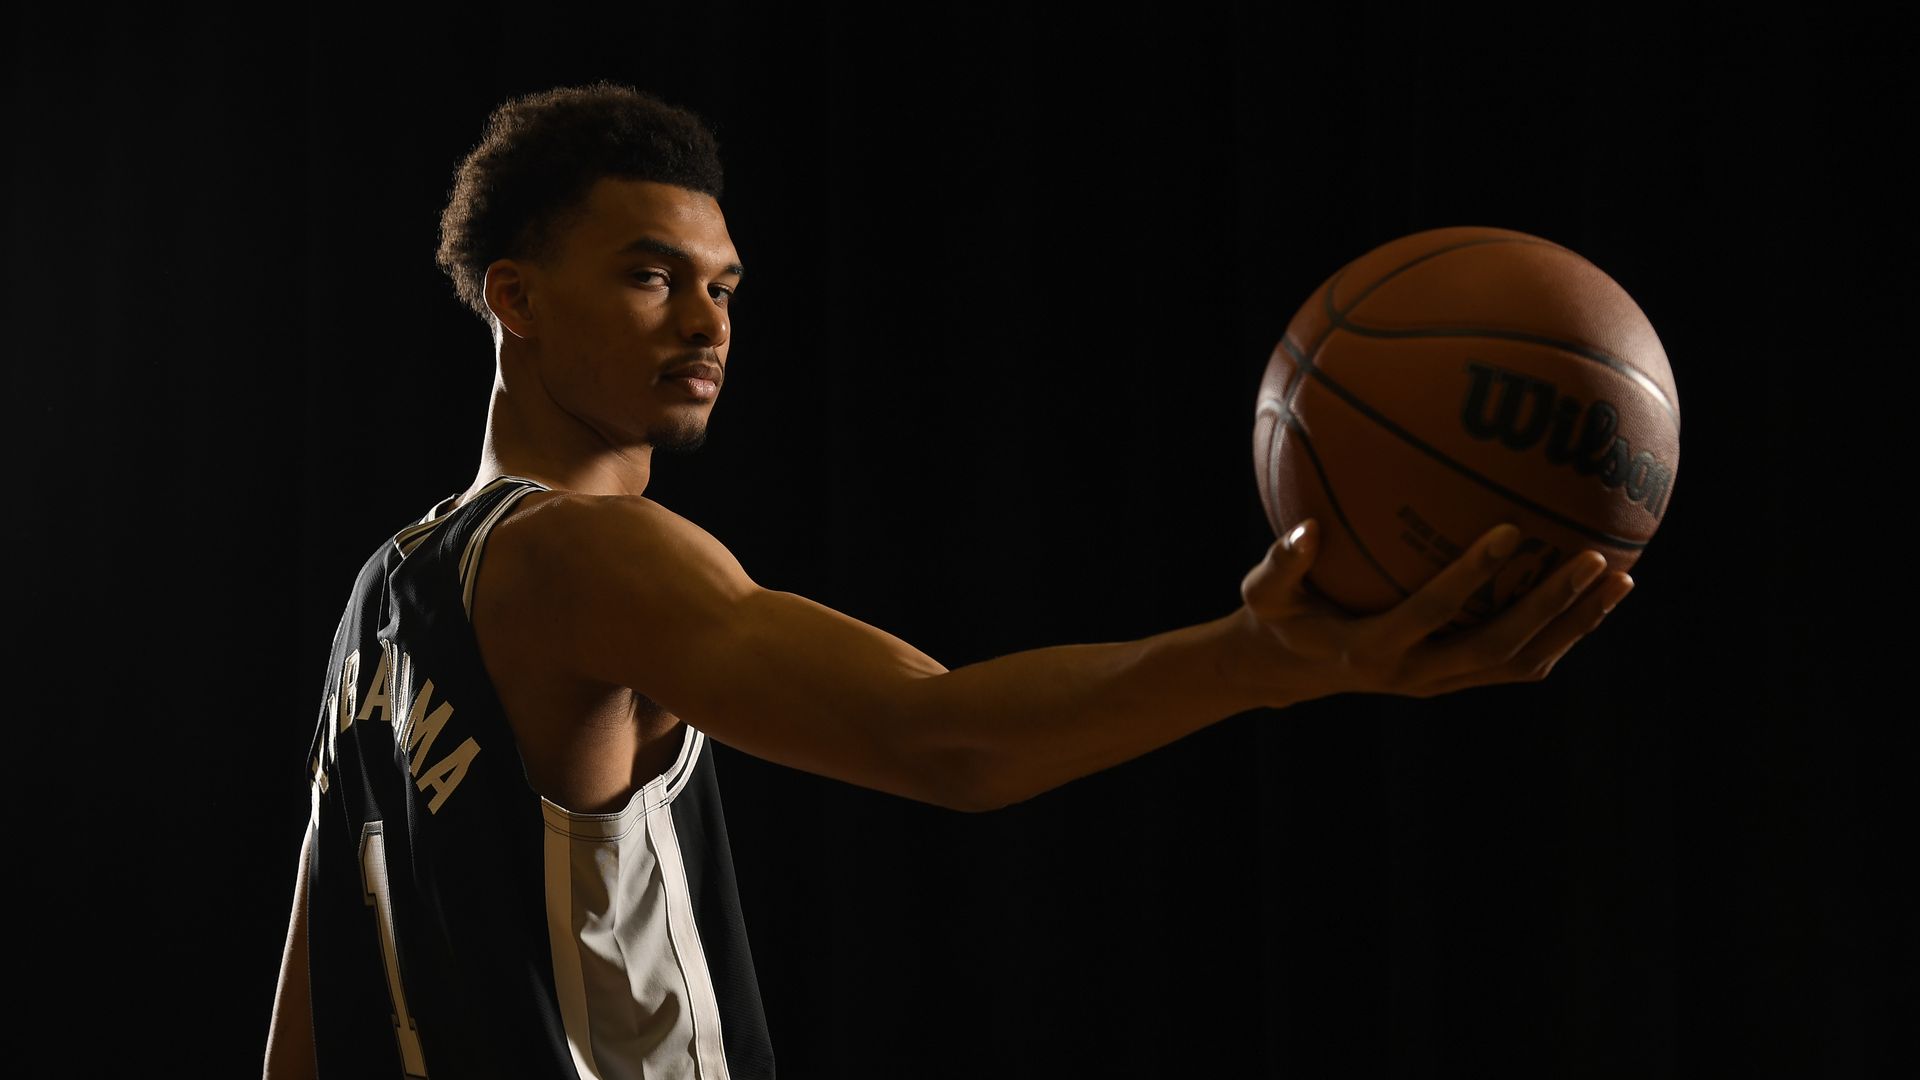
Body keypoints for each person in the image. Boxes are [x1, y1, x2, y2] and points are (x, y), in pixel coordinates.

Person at [263, 81, 1635, 1080]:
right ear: (513, 297)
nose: (706, 322)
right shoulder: (588, 551)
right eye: (650, 276)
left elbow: (305, 1023)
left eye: (724, 287)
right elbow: (941, 737)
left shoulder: (382, 596)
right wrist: (1268, 658)